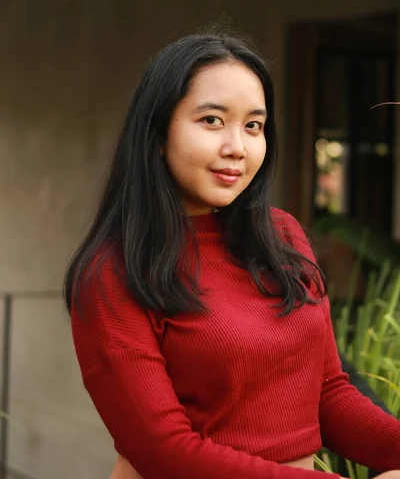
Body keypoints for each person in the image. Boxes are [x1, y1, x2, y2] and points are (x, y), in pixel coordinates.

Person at [64, 34, 400, 479]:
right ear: (158, 132)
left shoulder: (282, 236)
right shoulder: (112, 271)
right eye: (211, 120)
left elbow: (326, 393)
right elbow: (164, 453)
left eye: (253, 126)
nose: (237, 147)